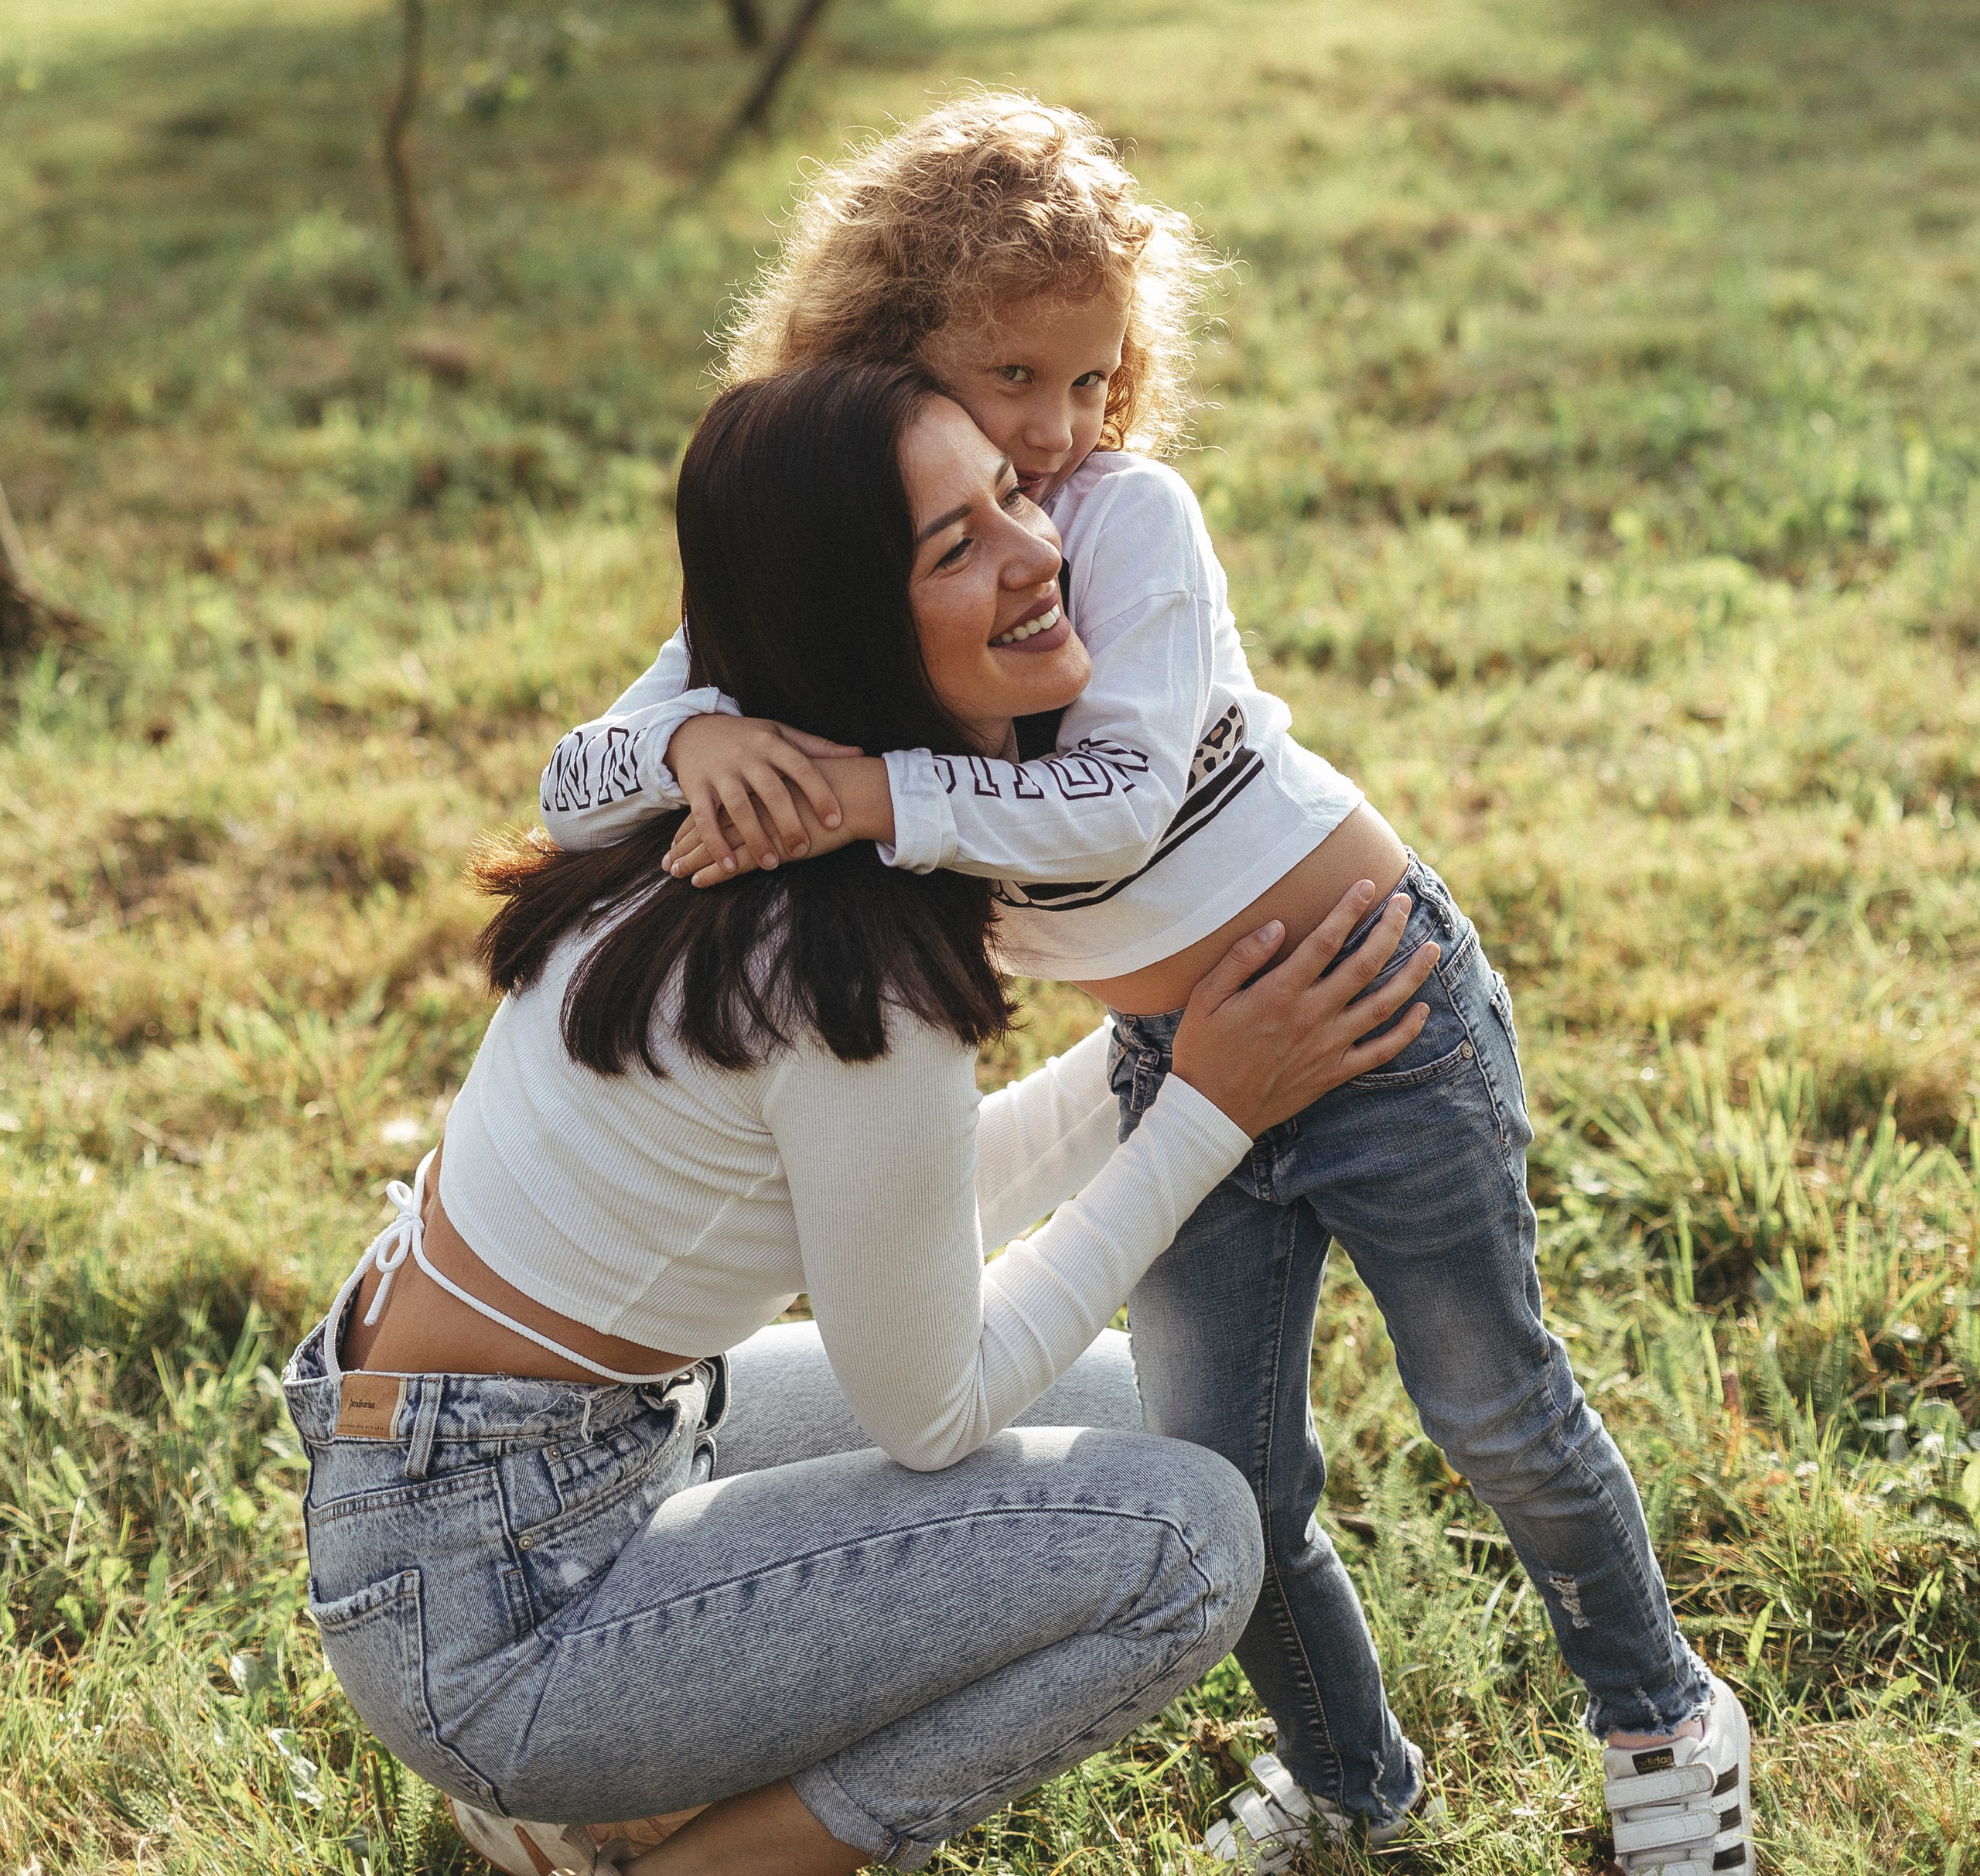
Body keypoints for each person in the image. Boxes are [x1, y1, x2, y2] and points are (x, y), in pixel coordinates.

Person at [539, 94, 1753, 1876]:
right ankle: (1349, 1783)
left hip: (1372, 1009)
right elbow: (576, 778)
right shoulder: (852, 551)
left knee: (1490, 1407)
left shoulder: (1122, 521)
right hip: (1172, 1060)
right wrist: (701, 727)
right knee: (1231, 1471)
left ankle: (1662, 1729)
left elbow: (1108, 800)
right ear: (886, 352)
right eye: (1010, 375)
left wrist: (875, 793)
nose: (1053, 429)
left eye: (1092, 380)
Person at [286, 360, 1441, 1876]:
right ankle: (676, 1848)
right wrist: (1206, 1111)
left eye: (1012, 495)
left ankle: (600, 1781)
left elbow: (889, 1231)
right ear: (848, 627)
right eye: (951, 547)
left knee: (1138, 1416)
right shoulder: (839, 981)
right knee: (1185, 1544)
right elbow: (932, 1404)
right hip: (497, 1610)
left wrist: (1149, 1062)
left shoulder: (729, 826)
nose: (1036, 550)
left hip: (530, 1465)